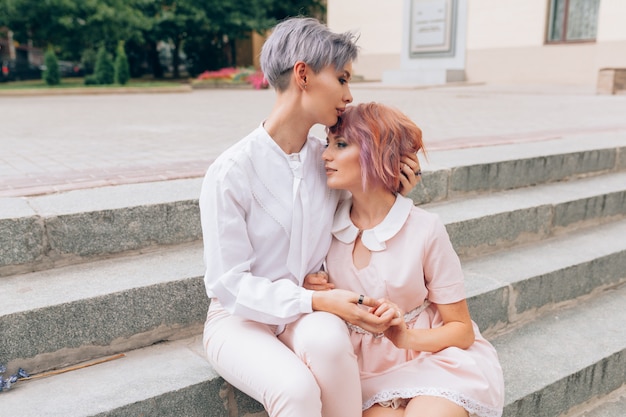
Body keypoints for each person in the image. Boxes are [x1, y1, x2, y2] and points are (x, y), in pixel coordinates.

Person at [199, 17, 421, 417]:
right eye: (342, 79)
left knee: (331, 343)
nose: (349, 95)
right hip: (239, 320)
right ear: (303, 74)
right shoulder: (232, 170)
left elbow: (359, 213)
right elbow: (228, 284)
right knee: (297, 389)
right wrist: (315, 297)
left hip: (304, 310)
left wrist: (394, 187)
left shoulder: (328, 161)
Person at [317, 102, 505, 417]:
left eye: (340, 144)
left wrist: (406, 336)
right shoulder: (324, 226)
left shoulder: (424, 228)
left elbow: (461, 329)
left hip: (432, 359)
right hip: (363, 373)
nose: (325, 155)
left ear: (375, 153)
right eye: (327, 144)